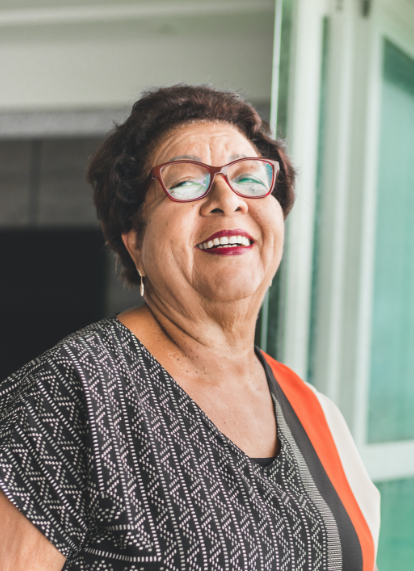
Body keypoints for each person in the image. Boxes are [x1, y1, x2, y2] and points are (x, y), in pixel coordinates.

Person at [0, 84, 380, 571]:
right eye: (184, 183)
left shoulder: (317, 415)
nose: (227, 199)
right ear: (134, 241)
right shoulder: (71, 395)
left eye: (248, 178)